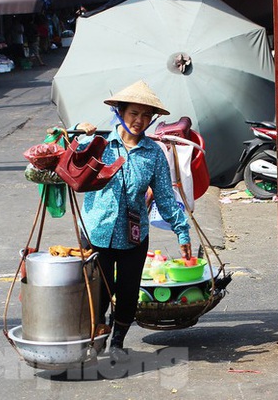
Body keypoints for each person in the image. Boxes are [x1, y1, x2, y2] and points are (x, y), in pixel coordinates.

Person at [74, 80, 192, 363]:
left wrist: (182, 232)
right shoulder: (99, 145)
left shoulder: (153, 153)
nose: (139, 121)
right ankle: (95, 339)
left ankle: (117, 341)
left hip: (134, 235)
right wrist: (80, 132)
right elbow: (73, 161)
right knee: (99, 293)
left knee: (127, 292)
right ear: (120, 113)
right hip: (96, 231)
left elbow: (165, 197)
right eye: (133, 114)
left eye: (145, 115)